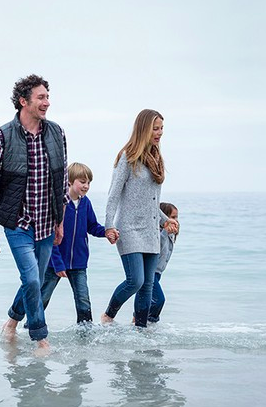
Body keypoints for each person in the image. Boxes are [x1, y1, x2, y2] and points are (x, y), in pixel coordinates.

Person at [0, 74, 69, 354]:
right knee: (31, 279)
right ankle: (40, 338)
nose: (47, 103)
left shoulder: (57, 133)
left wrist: (59, 222)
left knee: (37, 280)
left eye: (47, 97)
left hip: (46, 222)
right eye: (41, 98)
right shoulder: (1, 137)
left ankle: (11, 322)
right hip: (18, 223)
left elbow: (62, 182)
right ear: (23, 101)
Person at [100, 109, 177, 328]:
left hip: (151, 231)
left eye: (162, 128)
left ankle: (140, 330)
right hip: (129, 229)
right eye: (155, 128)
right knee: (136, 280)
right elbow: (113, 194)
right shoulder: (127, 157)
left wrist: (165, 221)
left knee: (148, 285)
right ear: (143, 129)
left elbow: (151, 202)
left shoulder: (156, 159)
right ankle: (108, 315)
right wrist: (108, 226)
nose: (159, 132)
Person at [40, 162, 110, 324]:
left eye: (89, 182)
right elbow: (51, 237)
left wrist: (106, 232)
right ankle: (31, 327)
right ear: (69, 182)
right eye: (82, 182)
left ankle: (85, 337)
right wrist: (57, 264)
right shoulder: (59, 205)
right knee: (43, 297)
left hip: (79, 263)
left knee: (83, 300)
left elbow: (92, 226)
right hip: (55, 263)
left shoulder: (86, 203)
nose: (86, 186)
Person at [148, 203, 179, 323]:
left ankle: (138, 321)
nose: (176, 220)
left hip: (158, 272)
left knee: (148, 299)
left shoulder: (171, 234)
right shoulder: (158, 232)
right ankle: (150, 322)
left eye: (177, 217)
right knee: (159, 299)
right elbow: (156, 248)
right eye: (173, 217)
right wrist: (165, 232)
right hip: (150, 271)